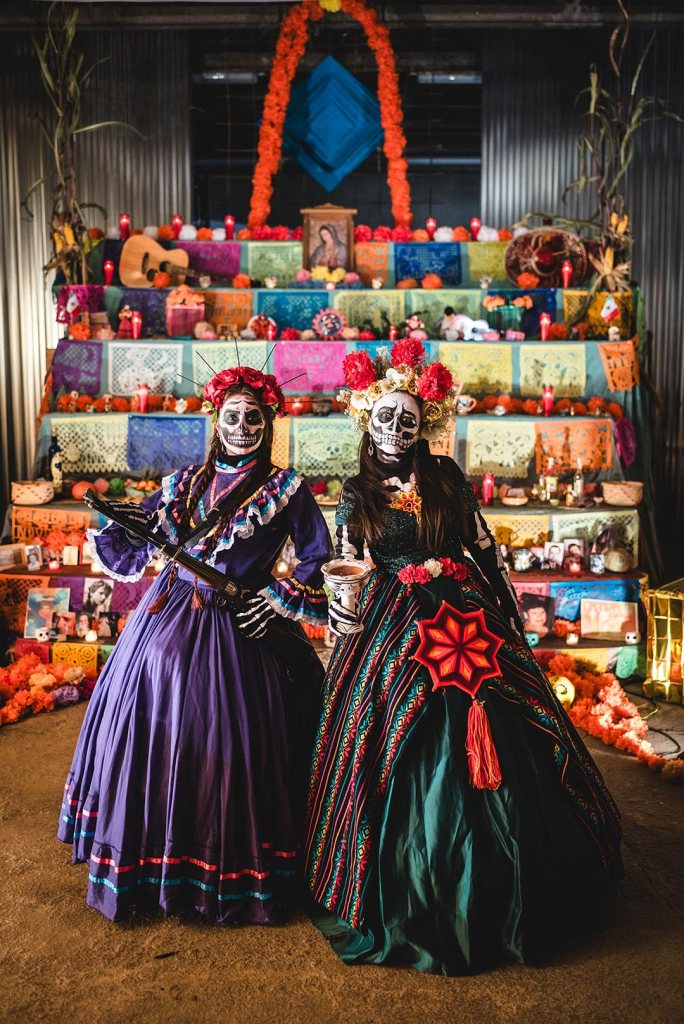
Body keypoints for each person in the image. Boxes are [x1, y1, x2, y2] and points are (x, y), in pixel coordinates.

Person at [305, 340, 621, 975]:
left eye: (408, 419)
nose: (397, 429)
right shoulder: (356, 492)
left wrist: (506, 608)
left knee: (503, 719)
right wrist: (342, 616)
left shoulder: (446, 474)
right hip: (395, 621)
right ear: (368, 420)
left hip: (467, 613)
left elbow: (483, 546)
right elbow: (348, 565)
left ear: (422, 424)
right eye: (386, 417)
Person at [58, 364, 332, 924]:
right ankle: (147, 857)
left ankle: (220, 869)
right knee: (153, 713)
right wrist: (124, 523)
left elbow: (317, 556)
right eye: (232, 416)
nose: (241, 427)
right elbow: (143, 533)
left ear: (268, 424)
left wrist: (277, 598)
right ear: (216, 420)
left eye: (253, 418)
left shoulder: (286, 488)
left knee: (231, 732)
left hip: (240, 622)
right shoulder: (185, 482)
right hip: (168, 611)